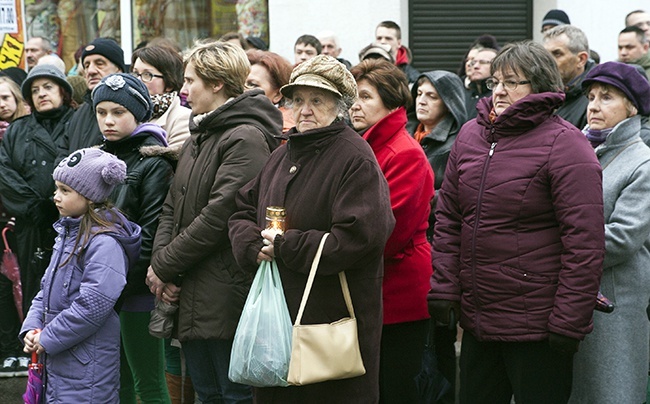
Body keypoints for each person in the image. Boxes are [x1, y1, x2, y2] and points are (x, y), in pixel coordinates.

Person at [427, 41, 605, 404]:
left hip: (538, 326)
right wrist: (445, 285)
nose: (500, 92)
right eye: (495, 83)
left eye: (513, 82)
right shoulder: (471, 136)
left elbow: (584, 243)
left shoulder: (566, 145)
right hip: (480, 319)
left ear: (539, 86)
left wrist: (569, 320)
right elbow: (448, 218)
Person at [228, 54, 394, 403]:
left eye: (317, 100)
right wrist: (250, 244)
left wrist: (286, 246)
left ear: (340, 106)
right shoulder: (283, 153)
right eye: (298, 99)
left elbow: (360, 237)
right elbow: (242, 207)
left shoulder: (355, 157)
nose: (304, 109)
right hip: (278, 320)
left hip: (329, 324)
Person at [145, 41, 282, 404]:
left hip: (226, 289)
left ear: (218, 83)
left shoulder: (245, 137)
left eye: (191, 81)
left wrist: (164, 264)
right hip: (193, 286)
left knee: (233, 394)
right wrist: (164, 267)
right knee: (206, 393)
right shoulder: (199, 135)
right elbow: (172, 206)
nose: (184, 89)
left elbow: (220, 217)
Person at [20, 148, 141, 403]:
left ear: (90, 196)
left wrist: (47, 338)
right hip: (58, 358)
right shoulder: (67, 234)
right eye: (57, 188)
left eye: (65, 190)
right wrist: (32, 329)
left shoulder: (105, 243)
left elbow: (93, 306)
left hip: (86, 368)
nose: (56, 197)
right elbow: (45, 289)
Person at [349, 58, 433, 403]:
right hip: (365, 287)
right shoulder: (357, 146)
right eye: (352, 96)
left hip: (397, 291)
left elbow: (389, 231)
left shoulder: (404, 153)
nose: (355, 104)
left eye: (366, 96)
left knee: (393, 386)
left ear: (392, 103)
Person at [569, 62, 650, 404]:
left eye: (607, 97)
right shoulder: (580, 149)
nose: (594, 105)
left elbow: (622, 238)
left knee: (610, 391)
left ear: (632, 107)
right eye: (590, 97)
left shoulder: (641, 162)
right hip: (572, 295)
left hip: (615, 299)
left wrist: (558, 241)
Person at [92, 73, 174, 404]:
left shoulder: (152, 161)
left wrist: (116, 282)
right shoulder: (95, 156)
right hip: (100, 287)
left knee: (149, 382)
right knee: (114, 381)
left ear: (138, 114)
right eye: (101, 112)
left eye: (118, 112)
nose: (108, 120)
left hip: (136, 289)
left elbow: (152, 232)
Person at [408, 70, 467, 404]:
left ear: (450, 102)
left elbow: (452, 197)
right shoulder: (409, 133)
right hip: (413, 245)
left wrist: (418, 196)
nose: (422, 100)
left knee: (438, 342)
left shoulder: (454, 143)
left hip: (436, 248)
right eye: (419, 93)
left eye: (432, 96)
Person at [0, 64, 75, 326]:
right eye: (35, 90)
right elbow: (4, 172)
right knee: (36, 292)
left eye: (48, 87)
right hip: (30, 225)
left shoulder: (77, 123)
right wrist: (34, 207)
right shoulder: (18, 130)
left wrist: (57, 205)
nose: (41, 93)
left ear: (62, 92)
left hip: (71, 223)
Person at [0, 75, 29, 378]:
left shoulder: (26, 131)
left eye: (6, 97)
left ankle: (25, 345)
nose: (1, 104)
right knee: (3, 292)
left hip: (22, 223)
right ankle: (8, 349)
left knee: (27, 287)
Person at [60, 38, 126, 161]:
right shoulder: (78, 114)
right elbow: (63, 153)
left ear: (119, 69)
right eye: (86, 65)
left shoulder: (131, 108)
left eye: (99, 63)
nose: (91, 71)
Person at [131, 45, 191, 150]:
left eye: (147, 74)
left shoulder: (182, 118)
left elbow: (172, 162)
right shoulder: (128, 111)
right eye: (136, 74)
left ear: (169, 84)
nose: (138, 81)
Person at [543, 25, 594, 129]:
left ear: (581, 59)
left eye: (557, 54)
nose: (547, 62)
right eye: (545, 55)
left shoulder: (594, 100)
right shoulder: (538, 93)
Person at [245, 49, 294, 132]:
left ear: (278, 95)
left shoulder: (285, 134)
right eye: (240, 83)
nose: (243, 90)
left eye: (252, 85)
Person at [465, 48, 497, 119]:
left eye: (482, 62)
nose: (475, 66)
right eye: (473, 63)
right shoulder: (464, 95)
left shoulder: (498, 96)